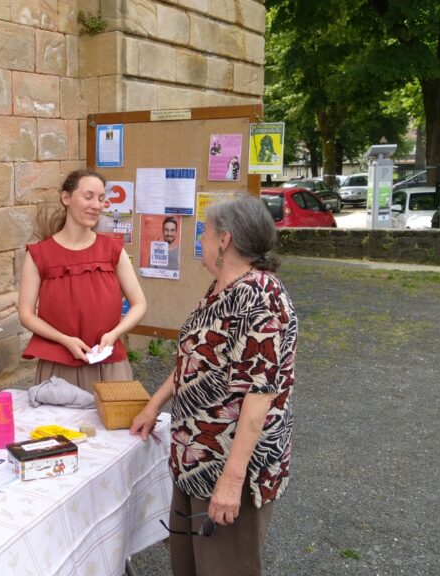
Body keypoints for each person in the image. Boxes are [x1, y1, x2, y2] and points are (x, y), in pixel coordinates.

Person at [130, 194, 297, 576]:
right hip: (197, 459)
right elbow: (198, 360)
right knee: (191, 566)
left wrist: (231, 482)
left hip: (228, 467)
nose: (200, 240)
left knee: (224, 569)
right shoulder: (221, 288)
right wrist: (154, 405)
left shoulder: (260, 298)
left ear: (226, 241)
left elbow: (259, 397)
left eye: (205, 232)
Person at [18, 169, 147, 393]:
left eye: (101, 198)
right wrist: (64, 340)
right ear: (66, 198)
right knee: (56, 429)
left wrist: (114, 334)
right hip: (58, 366)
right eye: (88, 196)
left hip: (109, 365)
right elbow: (26, 314)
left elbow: (139, 304)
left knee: (114, 427)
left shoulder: (113, 251)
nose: (97, 205)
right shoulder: (39, 255)